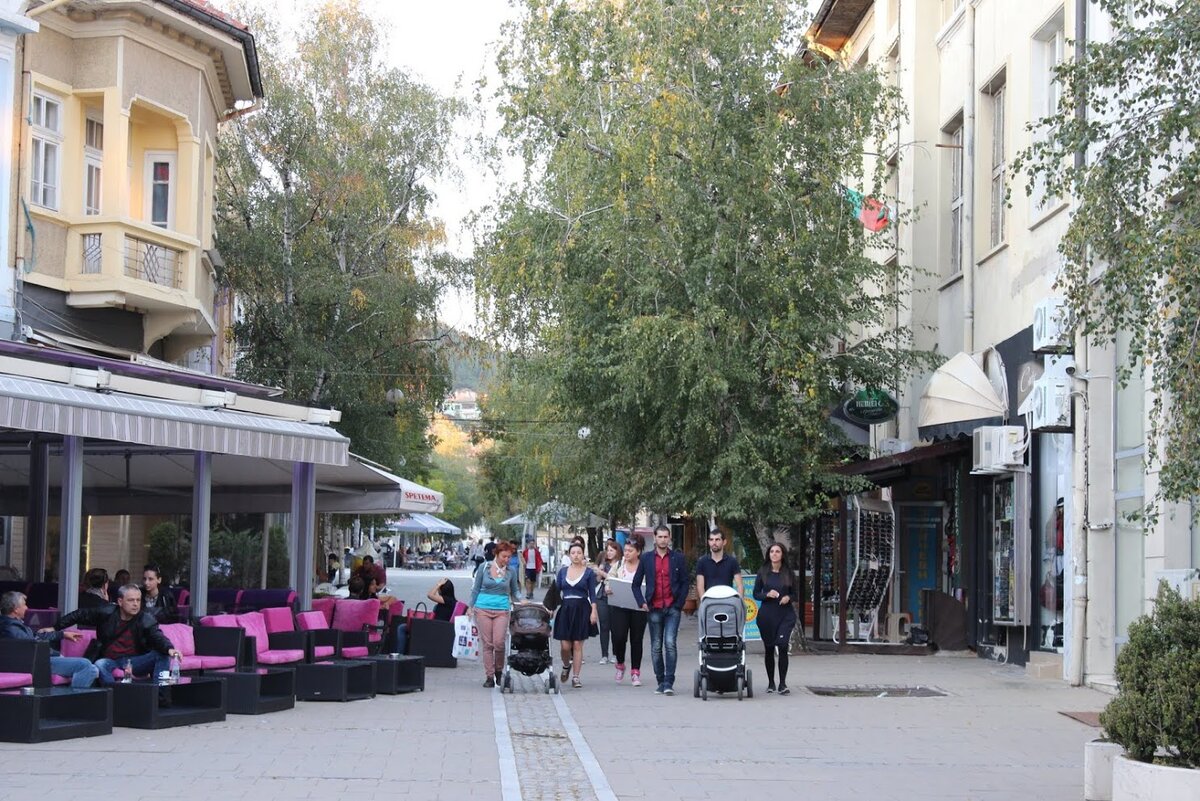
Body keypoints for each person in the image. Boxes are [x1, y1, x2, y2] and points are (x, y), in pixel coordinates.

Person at [55, 584, 182, 685]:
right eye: (131, 600)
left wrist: (169, 648)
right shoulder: (107, 613)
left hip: (134, 660)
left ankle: (158, 697)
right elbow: (80, 614)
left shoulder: (145, 618)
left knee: (162, 654)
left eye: (138, 600)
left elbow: (157, 635)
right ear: (120, 602)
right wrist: (55, 627)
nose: (136, 604)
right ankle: (114, 696)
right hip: (110, 659)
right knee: (100, 665)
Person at [630, 524, 688, 695]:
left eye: (666, 536)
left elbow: (685, 581)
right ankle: (660, 681)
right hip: (654, 607)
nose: (663, 540)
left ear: (669, 538)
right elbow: (635, 584)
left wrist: (680, 603)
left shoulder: (677, 558)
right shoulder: (647, 559)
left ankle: (669, 681)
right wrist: (641, 602)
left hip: (672, 607)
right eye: (660, 536)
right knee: (656, 646)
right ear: (654, 538)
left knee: (670, 643)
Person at [0, 591, 98, 688]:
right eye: (24, 605)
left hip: (39, 659)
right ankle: (73, 700)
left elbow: (37, 637)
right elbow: (33, 646)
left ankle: (66, 698)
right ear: (15, 609)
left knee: (92, 669)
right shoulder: (10, 627)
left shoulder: (15, 624)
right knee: (84, 665)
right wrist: (55, 654)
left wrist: (62, 634)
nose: (27, 608)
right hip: (37, 662)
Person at [467, 540, 522, 688]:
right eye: (504, 556)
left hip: (502, 609)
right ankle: (489, 676)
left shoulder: (511, 571)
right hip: (482, 608)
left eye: (509, 557)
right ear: (496, 554)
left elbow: (515, 590)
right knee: (487, 644)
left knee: (499, 642)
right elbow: (476, 589)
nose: (507, 560)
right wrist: (470, 606)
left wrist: (522, 600)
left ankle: (499, 670)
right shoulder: (483, 568)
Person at [753, 542, 798, 695]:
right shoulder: (763, 572)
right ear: (768, 554)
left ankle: (783, 683)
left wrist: (788, 598)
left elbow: (795, 594)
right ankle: (771, 682)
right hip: (767, 615)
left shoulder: (788, 573)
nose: (774, 554)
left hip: (785, 614)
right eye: (772, 551)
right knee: (770, 648)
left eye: (777, 551)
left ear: (782, 554)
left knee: (783, 645)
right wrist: (766, 595)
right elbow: (755, 593)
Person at [553, 541, 599, 689]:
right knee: (565, 646)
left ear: (583, 554)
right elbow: (555, 592)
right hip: (566, 609)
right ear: (569, 555)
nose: (576, 555)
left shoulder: (589, 573)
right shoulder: (562, 572)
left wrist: (594, 611)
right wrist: (550, 608)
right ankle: (566, 665)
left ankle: (576, 677)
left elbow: (592, 594)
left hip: (582, 609)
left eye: (579, 552)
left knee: (578, 643)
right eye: (573, 553)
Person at [607, 533, 648, 687]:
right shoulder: (618, 565)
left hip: (638, 607)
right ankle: (620, 663)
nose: (627, 553)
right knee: (618, 637)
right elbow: (608, 580)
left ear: (638, 552)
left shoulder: (644, 566)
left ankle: (635, 672)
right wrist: (608, 588)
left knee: (636, 640)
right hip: (619, 605)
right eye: (625, 550)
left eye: (630, 550)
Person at [593, 539, 621, 665]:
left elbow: (617, 579)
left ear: (617, 551)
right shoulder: (604, 563)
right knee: (604, 626)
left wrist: (603, 573)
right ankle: (604, 654)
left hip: (616, 597)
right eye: (607, 550)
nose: (609, 553)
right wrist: (599, 572)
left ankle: (616, 654)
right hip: (602, 597)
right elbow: (598, 580)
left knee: (616, 627)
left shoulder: (621, 565)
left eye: (611, 550)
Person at [695, 528, 744, 597]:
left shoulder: (732, 561)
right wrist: (704, 603)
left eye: (717, 539)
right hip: (709, 602)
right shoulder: (702, 562)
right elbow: (700, 587)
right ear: (708, 542)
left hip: (728, 602)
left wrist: (740, 604)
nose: (714, 543)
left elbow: (740, 586)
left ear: (724, 542)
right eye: (711, 540)